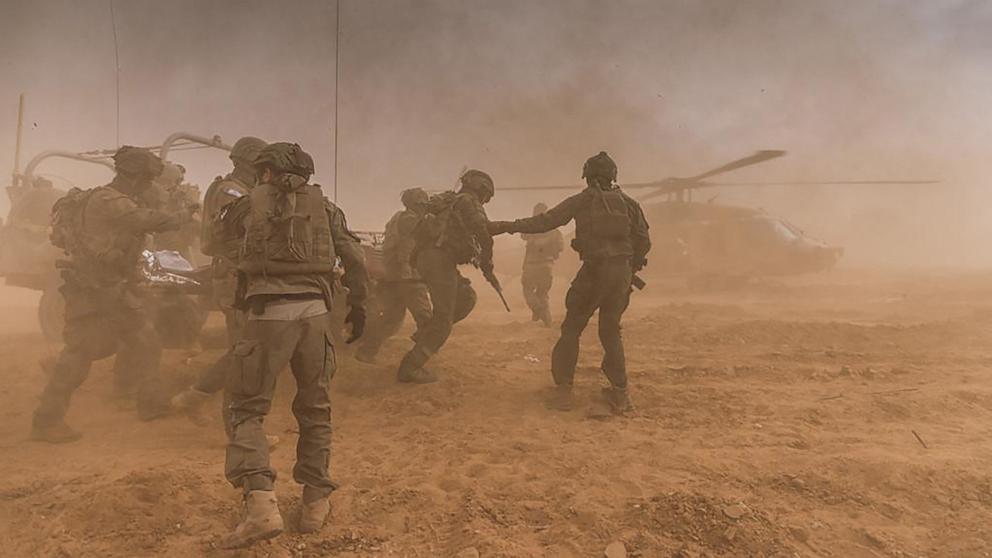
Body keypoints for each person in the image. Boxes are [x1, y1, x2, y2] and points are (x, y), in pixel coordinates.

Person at [219, 142, 368, 548]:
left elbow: (223, 246)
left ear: (263, 171)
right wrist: (359, 305)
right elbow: (355, 256)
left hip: (268, 314)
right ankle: (315, 504)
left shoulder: (245, 204)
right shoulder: (327, 207)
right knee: (315, 408)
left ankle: (261, 508)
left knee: (246, 410)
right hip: (316, 316)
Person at [30, 146, 197, 443]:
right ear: (135, 177)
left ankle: (149, 402)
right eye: (146, 180)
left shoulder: (106, 198)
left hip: (110, 288)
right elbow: (147, 220)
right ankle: (46, 420)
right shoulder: (110, 200)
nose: (148, 186)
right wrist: (183, 215)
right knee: (79, 355)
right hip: (94, 290)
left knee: (145, 339)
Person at [490, 152, 650, 414]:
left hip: (594, 272)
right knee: (610, 331)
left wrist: (502, 226)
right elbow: (643, 242)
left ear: (587, 177)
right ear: (613, 176)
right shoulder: (629, 204)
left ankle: (563, 392)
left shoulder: (583, 200)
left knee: (572, 329)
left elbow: (545, 222)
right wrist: (628, 268)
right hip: (620, 275)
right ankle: (621, 395)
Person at [170, 137, 267, 418]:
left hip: (241, 276)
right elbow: (237, 236)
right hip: (236, 279)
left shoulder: (242, 190)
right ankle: (232, 422)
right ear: (247, 164)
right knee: (244, 352)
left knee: (248, 348)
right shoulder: (233, 193)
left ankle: (196, 396)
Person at [395, 170, 497, 384]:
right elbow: (481, 229)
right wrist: (488, 260)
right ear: (482, 189)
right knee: (443, 320)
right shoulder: (468, 200)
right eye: (486, 196)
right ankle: (411, 366)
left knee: (466, 297)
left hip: (432, 259)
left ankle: (426, 333)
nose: (484, 201)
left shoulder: (450, 203)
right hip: (438, 259)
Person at [354, 188, 433, 363]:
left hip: (393, 277)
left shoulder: (398, 219)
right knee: (427, 322)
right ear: (417, 204)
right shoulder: (410, 220)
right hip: (409, 279)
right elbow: (431, 232)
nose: (424, 208)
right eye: (423, 205)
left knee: (390, 320)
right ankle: (417, 362)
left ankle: (366, 351)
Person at [520, 202, 564, 327]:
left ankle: (538, 309)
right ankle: (548, 321)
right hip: (547, 266)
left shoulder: (531, 226)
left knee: (527, 289)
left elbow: (522, 235)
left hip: (531, 265)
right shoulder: (554, 230)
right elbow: (561, 246)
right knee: (543, 293)